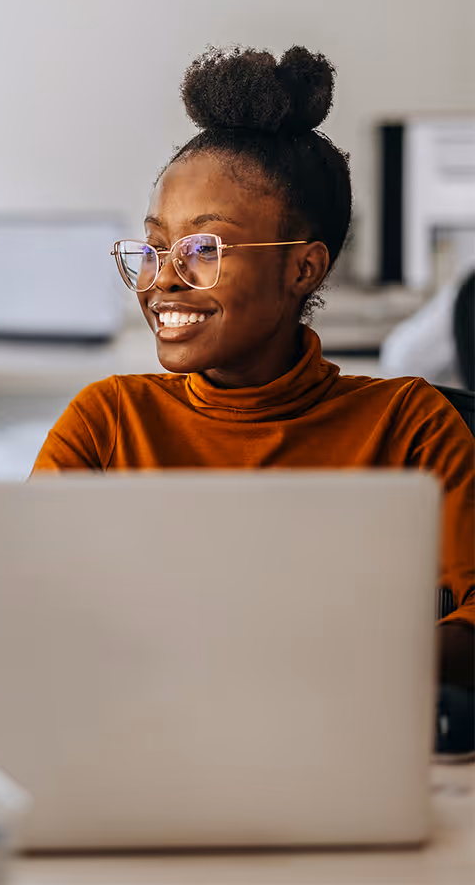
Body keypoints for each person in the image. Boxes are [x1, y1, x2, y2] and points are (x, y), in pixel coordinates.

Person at [32, 45, 474, 692]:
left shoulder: (411, 427)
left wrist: (329, 670)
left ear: (304, 268)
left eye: (204, 249)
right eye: (155, 248)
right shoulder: (106, 423)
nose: (164, 281)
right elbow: (22, 611)